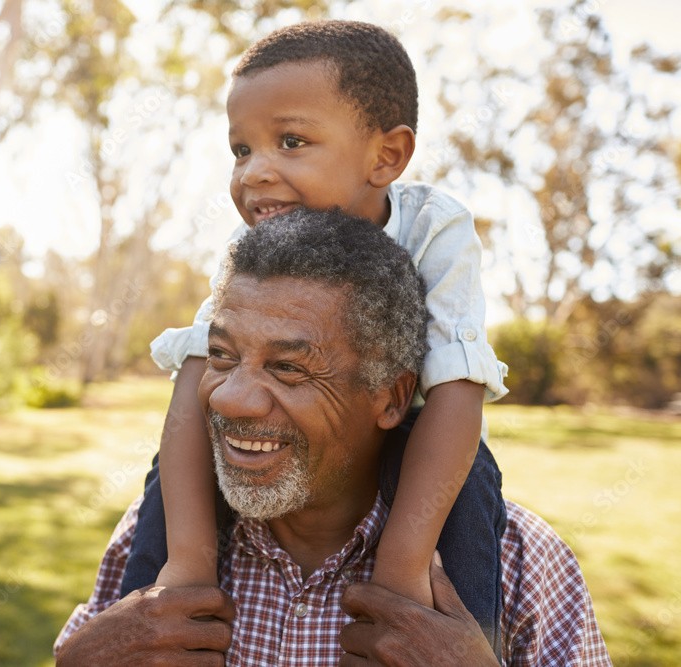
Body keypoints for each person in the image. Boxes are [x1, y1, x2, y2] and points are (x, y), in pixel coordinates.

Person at [54, 209, 611, 665]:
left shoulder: (519, 562)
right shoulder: (153, 536)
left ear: (392, 397)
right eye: (221, 356)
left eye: (289, 369)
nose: (227, 398)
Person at [121, 19, 509, 652]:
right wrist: (186, 561)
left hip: (414, 436)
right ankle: (144, 638)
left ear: (386, 156)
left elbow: (457, 388)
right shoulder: (252, 251)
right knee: (171, 469)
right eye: (241, 150)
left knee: (472, 485)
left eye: (291, 141)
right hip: (298, 450)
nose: (254, 174)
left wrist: (402, 570)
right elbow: (197, 373)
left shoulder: (435, 228)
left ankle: (454, 640)